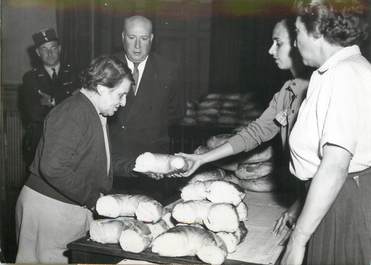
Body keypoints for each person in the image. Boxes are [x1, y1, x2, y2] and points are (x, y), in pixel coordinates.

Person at [15, 55, 133, 263]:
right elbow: (52, 168)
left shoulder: (94, 111)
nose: (123, 103)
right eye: (121, 95)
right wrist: (94, 200)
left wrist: (135, 166)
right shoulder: (74, 111)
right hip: (50, 210)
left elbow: (97, 160)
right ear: (103, 88)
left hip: (65, 208)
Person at [280, 0, 371, 264]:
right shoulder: (340, 70)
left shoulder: (344, 74)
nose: (296, 43)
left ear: (317, 31)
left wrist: (297, 241)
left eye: (297, 32)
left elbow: (334, 165)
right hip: (334, 200)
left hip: (343, 206)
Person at [178, 18, 310, 194]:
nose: (270, 50)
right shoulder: (287, 91)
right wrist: (202, 159)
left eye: (278, 43)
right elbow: (255, 133)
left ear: (298, 43)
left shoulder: (316, 88)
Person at [109, 15, 184, 202]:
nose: (137, 46)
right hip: (113, 165)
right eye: (132, 38)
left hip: (151, 169)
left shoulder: (169, 70)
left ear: (151, 39)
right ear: (122, 37)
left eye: (143, 39)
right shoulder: (107, 67)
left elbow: (176, 113)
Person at [19, 28, 80, 166]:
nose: (50, 53)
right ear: (37, 53)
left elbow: (80, 109)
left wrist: (53, 101)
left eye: (53, 48)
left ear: (59, 48)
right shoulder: (30, 79)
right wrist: (68, 99)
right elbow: (34, 114)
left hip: (71, 141)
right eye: (44, 49)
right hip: (41, 141)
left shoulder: (75, 74)